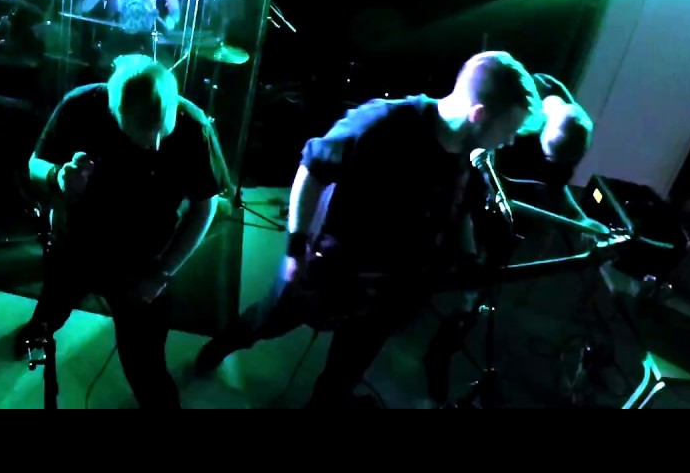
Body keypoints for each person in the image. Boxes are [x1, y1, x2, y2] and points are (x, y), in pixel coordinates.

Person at [194, 51, 542, 408]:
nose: (509, 141)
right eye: (508, 131)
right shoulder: (383, 122)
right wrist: (295, 248)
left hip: (391, 292)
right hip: (330, 269)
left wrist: (465, 262)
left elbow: (462, 209)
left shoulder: (471, 156)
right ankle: (217, 348)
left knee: (344, 373)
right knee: (267, 321)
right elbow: (311, 170)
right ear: (478, 115)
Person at [17, 55, 230, 408]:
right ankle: (39, 328)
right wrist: (58, 175)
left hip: (143, 262)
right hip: (76, 244)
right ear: (114, 110)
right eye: (145, 130)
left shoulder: (193, 126)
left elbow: (204, 207)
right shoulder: (80, 105)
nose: (156, 143)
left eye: (164, 128)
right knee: (53, 304)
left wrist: (163, 273)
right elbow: (35, 164)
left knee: (146, 366)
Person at [423, 72, 606, 404]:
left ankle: (440, 352)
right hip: (467, 188)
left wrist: (580, 220)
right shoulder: (518, 99)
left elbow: (555, 188)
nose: (551, 166)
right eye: (548, 157)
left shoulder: (572, 126)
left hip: (504, 214)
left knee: (477, 290)